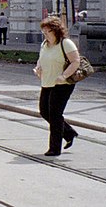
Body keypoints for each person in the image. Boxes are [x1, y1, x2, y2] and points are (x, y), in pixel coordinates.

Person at [33, 16, 80, 156]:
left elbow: (75, 61)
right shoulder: (44, 45)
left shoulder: (65, 44)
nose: (45, 35)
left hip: (62, 84)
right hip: (47, 82)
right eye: (44, 33)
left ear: (56, 31)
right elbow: (41, 59)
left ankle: (54, 148)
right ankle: (69, 132)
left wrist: (64, 75)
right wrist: (38, 68)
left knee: (54, 115)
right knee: (44, 111)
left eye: (48, 32)